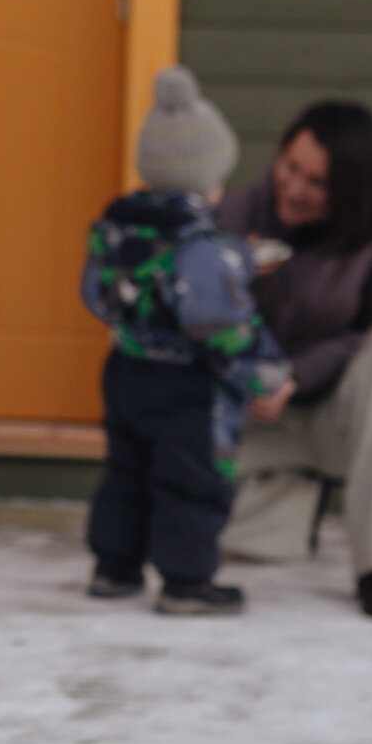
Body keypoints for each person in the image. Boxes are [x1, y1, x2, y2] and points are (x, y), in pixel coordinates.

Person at [217, 99, 372, 622]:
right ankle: (291, 504)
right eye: (290, 167)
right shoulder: (240, 214)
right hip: (257, 421)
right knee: (174, 523)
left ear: (352, 192)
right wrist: (249, 373)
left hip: (346, 423)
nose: (294, 188)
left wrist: (294, 375)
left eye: (317, 183)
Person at [82, 67, 290, 616]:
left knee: (127, 470)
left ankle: (114, 567)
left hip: (126, 372)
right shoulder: (202, 251)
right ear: (207, 180)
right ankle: (185, 581)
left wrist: (237, 258)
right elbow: (221, 324)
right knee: (190, 480)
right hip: (186, 387)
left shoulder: (119, 230)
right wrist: (267, 375)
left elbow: (97, 294)